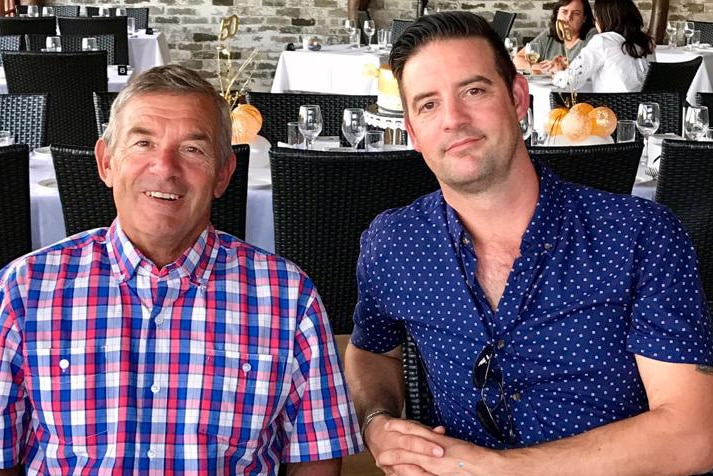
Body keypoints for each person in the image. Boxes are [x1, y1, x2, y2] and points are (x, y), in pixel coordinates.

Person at [345, 11, 713, 476]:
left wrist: (495, 468)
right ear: (413, 133)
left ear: (518, 98)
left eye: (473, 91)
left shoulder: (639, 234)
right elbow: (373, 351)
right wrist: (376, 422)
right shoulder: (395, 243)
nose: (454, 119)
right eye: (428, 105)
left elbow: (695, 433)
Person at [0, 65, 361, 475]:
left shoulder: (287, 296)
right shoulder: (26, 290)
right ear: (106, 163)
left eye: (193, 149)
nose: (165, 167)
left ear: (223, 174)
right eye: (143, 143)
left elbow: (315, 459)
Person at [552, 0, 655, 92]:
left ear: (604, 18)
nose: (595, 21)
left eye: (596, 16)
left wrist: (558, 72)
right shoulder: (646, 42)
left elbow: (569, 82)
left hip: (610, 111)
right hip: (645, 110)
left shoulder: (603, 41)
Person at [513, 0, 596, 74]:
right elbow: (517, 59)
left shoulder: (592, 37)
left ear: (584, 18)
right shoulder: (550, 34)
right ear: (557, 14)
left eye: (576, 13)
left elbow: (588, 68)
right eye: (564, 12)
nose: (568, 18)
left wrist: (563, 67)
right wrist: (542, 67)